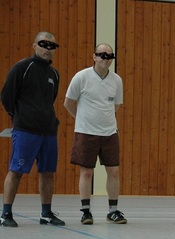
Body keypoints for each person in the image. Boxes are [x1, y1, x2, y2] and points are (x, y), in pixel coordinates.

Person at [0, 31, 65, 227]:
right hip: (25, 130)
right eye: (44, 44)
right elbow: (6, 96)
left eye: (52, 45)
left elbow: (49, 101)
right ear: (34, 46)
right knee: (16, 171)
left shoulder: (54, 74)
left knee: (47, 172)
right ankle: (5, 214)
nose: (48, 48)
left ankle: (46, 214)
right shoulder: (22, 67)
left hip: (48, 132)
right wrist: (19, 117)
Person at [64, 43, 127, 225]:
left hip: (109, 133)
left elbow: (115, 106)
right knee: (87, 172)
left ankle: (113, 211)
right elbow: (68, 103)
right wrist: (82, 119)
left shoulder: (117, 80)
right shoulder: (81, 77)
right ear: (94, 56)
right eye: (101, 55)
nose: (105, 59)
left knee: (113, 171)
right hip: (86, 132)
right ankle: (86, 212)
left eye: (109, 56)